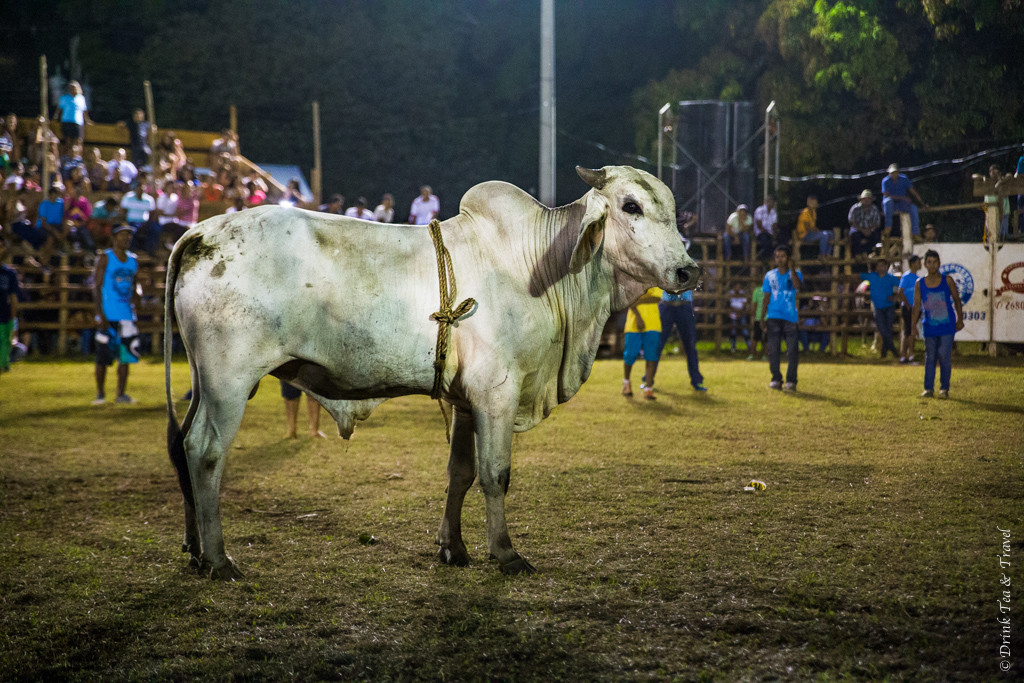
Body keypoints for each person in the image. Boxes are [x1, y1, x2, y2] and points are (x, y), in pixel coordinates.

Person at [92, 225, 141, 405]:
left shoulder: (133, 260)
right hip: (109, 313)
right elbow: (96, 286)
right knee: (103, 357)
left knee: (126, 357)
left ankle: (121, 393)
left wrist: (138, 294)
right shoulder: (105, 258)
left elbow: (135, 283)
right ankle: (100, 394)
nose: (126, 239)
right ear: (114, 238)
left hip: (127, 315)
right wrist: (100, 313)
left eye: (129, 236)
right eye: (123, 235)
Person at [912, 249, 964, 399]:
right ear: (925, 264)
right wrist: (913, 327)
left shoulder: (947, 280)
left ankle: (944, 389)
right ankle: (928, 389)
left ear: (939, 263)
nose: (932, 265)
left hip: (947, 326)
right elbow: (916, 306)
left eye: (935, 262)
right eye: (929, 262)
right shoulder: (919, 283)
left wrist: (960, 319)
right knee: (930, 357)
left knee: (944, 356)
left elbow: (957, 300)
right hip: (929, 326)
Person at [760, 245, 802, 391]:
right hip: (773, 316)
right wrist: (761, 316)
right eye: (777, 256)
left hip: (790, 317)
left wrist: (792, 269)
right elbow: (766, 297)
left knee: (792, 351)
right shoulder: (769, 275)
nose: (780, 259)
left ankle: (791, 381)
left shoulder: (796, 273)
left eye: (783, 256)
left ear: (788, 258)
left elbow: (797, 286)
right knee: (773, 350)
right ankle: (776, 378)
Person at [653, 289, 706, 392]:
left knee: (690, 345)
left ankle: (696, 380)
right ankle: (648, 379)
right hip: (666, 305)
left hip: (684, 306)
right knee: (657, 344)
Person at [621, 287, 663, 400]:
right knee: (629, 355)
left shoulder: (655, 280)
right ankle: (626, 383)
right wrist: (638, 317)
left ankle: (648, 389)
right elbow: (627, 299)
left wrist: (637, 300)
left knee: (651, 356)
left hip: (653, 324)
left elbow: (656, 298)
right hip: (633, 324)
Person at [859, 257, 901, 359]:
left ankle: (884, 351)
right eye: (879, 266)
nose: (880, 268)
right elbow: (859, 276)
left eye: (883, 265)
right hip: (878, 308)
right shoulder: (872, 277)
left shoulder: (891, 278)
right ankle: (891, 348)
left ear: (887, 267)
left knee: (887, 329)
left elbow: (902, 285)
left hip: (889, 307)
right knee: (883, 329)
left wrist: (895, 297)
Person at [882, 163, 927, 237]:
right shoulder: (885, 181)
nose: (893, 175)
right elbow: (886, 195)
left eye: (895, 172)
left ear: (898, 173)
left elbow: (913, 192)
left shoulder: (904, 179)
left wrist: (922, 203)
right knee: (888, 202)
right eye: (892, 173)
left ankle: (915, 234)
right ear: (889, 173)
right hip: (890, 205)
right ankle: (888, 227)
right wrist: (902, 198)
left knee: (913, 208)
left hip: (901, 204)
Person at [0, 248, 24, 374]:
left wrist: (13, 316)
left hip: (4, 313)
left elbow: (13, 296)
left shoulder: (9, 273)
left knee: (5, 340)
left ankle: (4, 364)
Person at [54, 81, 93, 151]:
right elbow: (59, 109)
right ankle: (67, 157)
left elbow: (84, 111)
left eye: (74, 88)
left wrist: (87, 120)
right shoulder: (64, 98)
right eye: (71, 88)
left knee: (78, 141)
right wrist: (56, 116)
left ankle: (78, 158)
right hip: (66, 122)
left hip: (78, 122)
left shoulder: (81, 98)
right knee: (68, 141)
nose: (73, 90)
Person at [897, 254, 922, 363]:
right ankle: (906, 354)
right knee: (909, 331)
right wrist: (907, 305)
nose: (920, 264)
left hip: (915, 308)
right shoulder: (906, 277)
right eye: (918, 262)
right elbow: (900, 292)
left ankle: (907, 354)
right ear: (912, 264)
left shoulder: (918, 278)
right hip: (908, 308)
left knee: (910, 331)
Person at [848, 189, 883, 259]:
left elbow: (877, 223)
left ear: (871, 200)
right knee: (854, 235)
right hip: (858, 230)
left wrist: (869, 230)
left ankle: (865, 252)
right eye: (865, 199)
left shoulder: (874, 209)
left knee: (876, 236)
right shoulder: (855, 208)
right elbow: (851, 222)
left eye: (868, 199)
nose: (866, 201)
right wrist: (862, 230)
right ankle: (857, 254)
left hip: (870, 230)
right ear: (861, 200)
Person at [727, 282, 750, 352]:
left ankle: (749, 346)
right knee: (733, 331)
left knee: (745, 331)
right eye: (736, 286)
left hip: (741, 314)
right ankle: (733, 347)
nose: (738, 288)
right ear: (734, 287)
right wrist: (735, 311)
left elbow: (744, 304)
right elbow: (728, 304)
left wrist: (739, 312)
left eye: (739, 286)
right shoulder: (730, 293)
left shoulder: (742, 293)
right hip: (733, 315)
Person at [753, 195, 777, 260]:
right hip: (761, 232)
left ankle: (765, 256)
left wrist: (774, 234)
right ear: (766, 202)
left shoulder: (773, 212)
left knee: (779, 239)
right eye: (770, 202)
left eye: (773, 202)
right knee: (766, 240)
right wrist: (767, 232)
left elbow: (774, 225)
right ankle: (765, 258)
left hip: (770, 233)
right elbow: (759, 225)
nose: (772, 203)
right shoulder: (759, 210)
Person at [748, 284, 765, 361]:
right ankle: (753, 354)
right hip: (760, 317)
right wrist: (754, 316)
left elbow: (754, 304)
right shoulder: (757, 290)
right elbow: (754, 304)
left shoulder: (771, 290)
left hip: (766, 317)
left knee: (764, 338)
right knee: (756, 337)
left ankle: (763, 355)